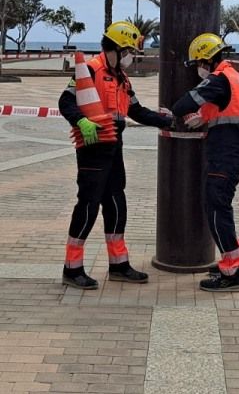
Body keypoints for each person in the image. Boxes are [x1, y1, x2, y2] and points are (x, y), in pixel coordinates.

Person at [59, 20, 173, 289]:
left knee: (116, 204)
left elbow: (136, 110)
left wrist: (166, 120)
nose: (130, 57)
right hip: (92, 146)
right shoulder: (89, 69)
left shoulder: (122, 78)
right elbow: (65, 101)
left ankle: (119, 264)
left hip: (114, 145)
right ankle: (72, 268)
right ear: (116, 49)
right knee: (88, 205)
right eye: (128, 52)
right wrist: (81, 121)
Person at [170, 32, 239, 292]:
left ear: (206, 59)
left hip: (223, 155)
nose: (198, 70)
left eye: (198, 64)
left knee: (215, 208)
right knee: (222, 206)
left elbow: (182, 104)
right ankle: (237, 257)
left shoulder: (218, 80)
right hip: (235, 153)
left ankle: (231, 271)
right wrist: (207, 114)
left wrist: (190, 112)